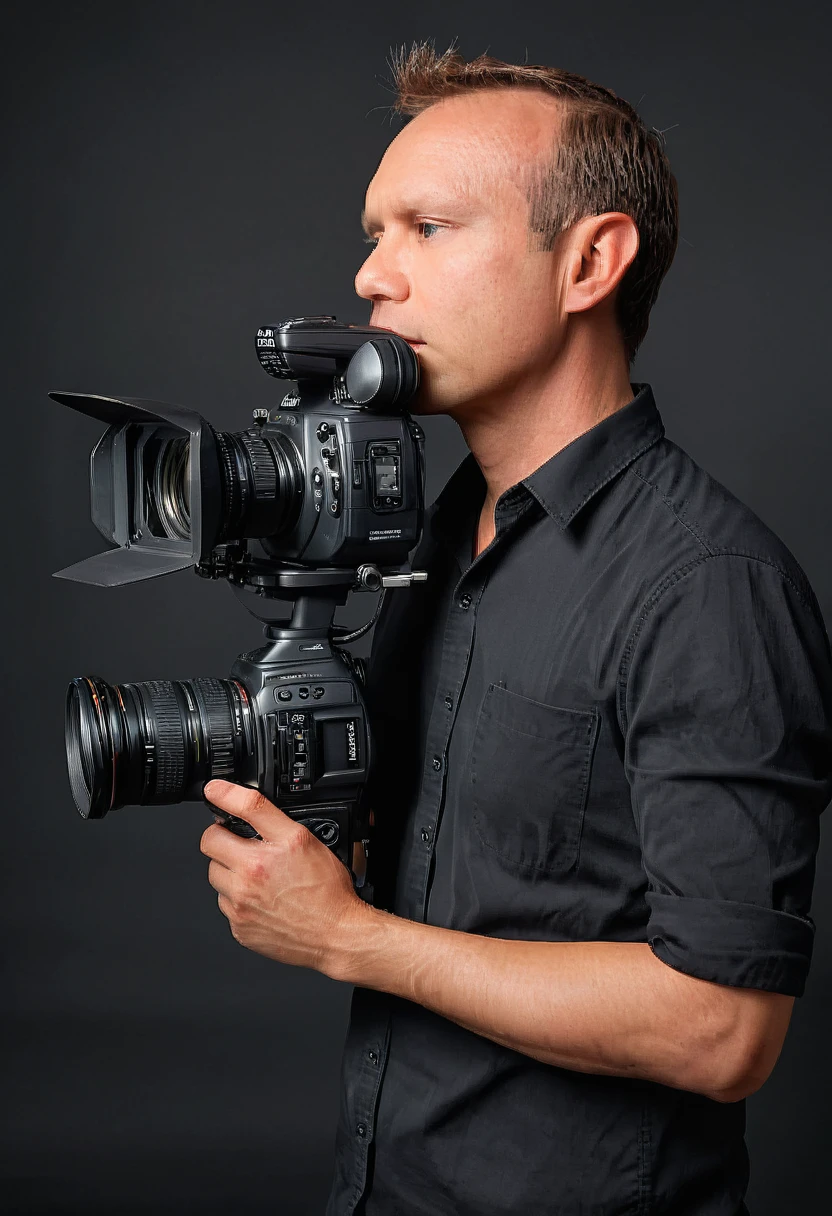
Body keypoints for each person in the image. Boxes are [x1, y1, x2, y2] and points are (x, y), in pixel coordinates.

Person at [199, 45, 832, 1215]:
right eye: (375, 231)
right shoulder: (428, 545)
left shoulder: (708, 585)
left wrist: (350, 938)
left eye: (426, 228)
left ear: (590, 260)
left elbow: (722, 1028)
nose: (372, 275)